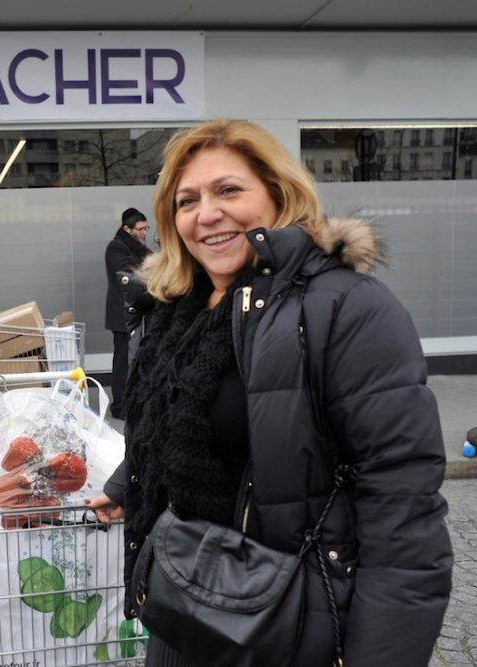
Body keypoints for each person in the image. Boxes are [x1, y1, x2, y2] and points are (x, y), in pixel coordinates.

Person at [86, 119, 452, 666]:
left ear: (280, 196)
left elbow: (404, 513)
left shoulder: (345, 308)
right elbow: (173, 418)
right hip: (184, 601)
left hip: (286, 621)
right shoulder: (176, 307)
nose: (206, 213)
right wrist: (125, 483)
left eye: (228, 190)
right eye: (187, 200)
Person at [103, 207, 152, 419]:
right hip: (122, 313)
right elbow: (128, 273)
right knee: (123, 360)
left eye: (145, 228)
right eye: (140, 229)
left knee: (137, 359)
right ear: (127, 228)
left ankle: (135, 401)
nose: (144, 232)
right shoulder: (116, 247)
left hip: (138, 312)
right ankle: (120, 406)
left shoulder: (139, 249)